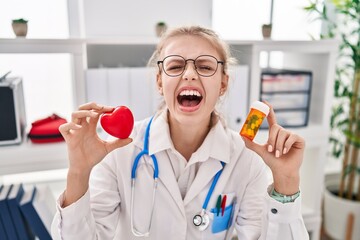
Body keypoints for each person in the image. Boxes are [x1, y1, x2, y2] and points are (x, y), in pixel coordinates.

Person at [51, 26, 309, 240]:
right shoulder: (121, 150)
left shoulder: (246, 158)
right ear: (159, 81)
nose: (189, 74)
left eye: (205, 66)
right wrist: (78, 173)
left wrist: (286, 182)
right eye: (175, 66)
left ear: (223, 84)